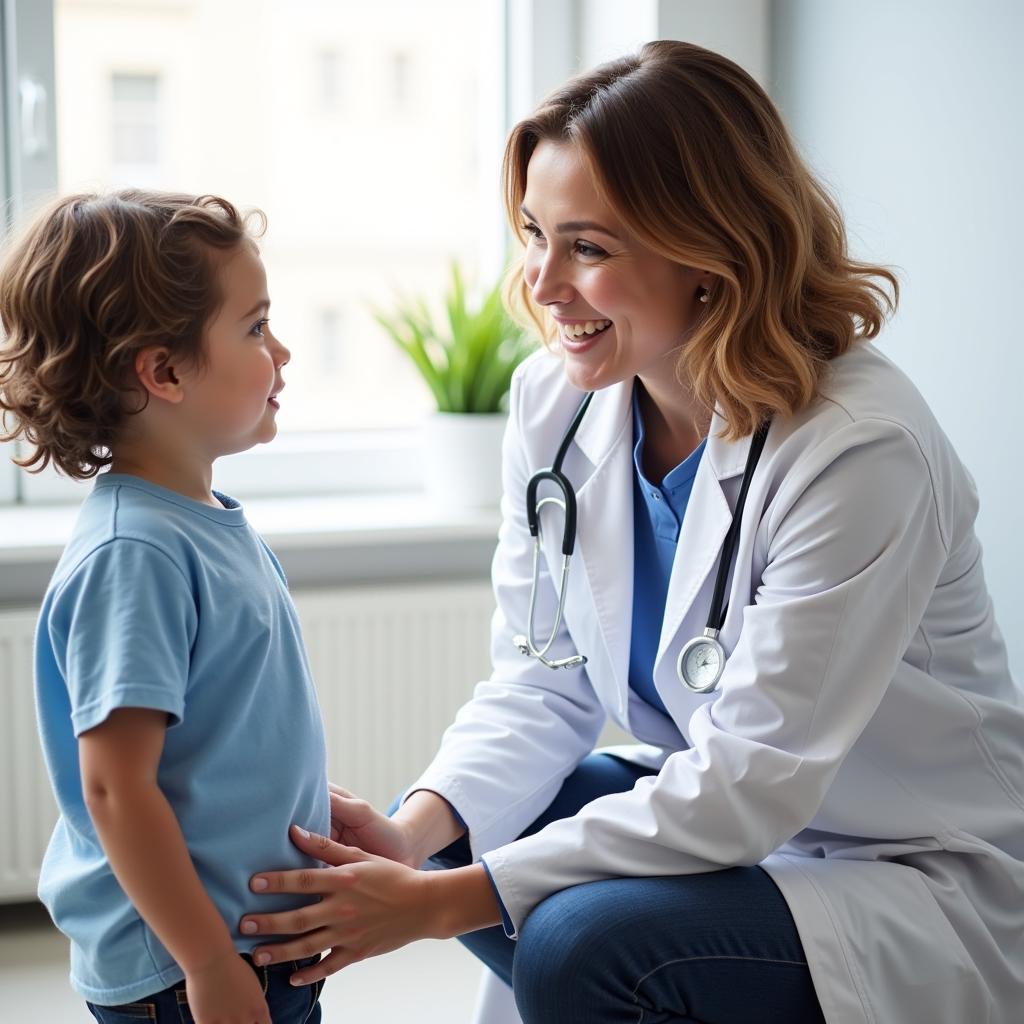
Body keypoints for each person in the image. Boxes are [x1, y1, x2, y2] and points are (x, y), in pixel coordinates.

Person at [238, 41, 1024, 1024]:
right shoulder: (555, 404)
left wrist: (441, 907)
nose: (542, 282)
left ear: (710, 251)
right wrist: (411, 842)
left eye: (589, 247)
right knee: (451, 825)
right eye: (533, 233)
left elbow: (748, 783)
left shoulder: (859, 450)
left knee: (579, 949)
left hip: (901, 863)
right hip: (743, 828)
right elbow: (540, 681)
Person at [0, 192, 330, 1024]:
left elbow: (221, 735)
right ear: (165, 371)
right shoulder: (135, 554)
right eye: (255, 329)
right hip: (183, 974)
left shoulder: (203, 522)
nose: (280, 350)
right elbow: (115, 789)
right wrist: (209, 961)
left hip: (248, 950)